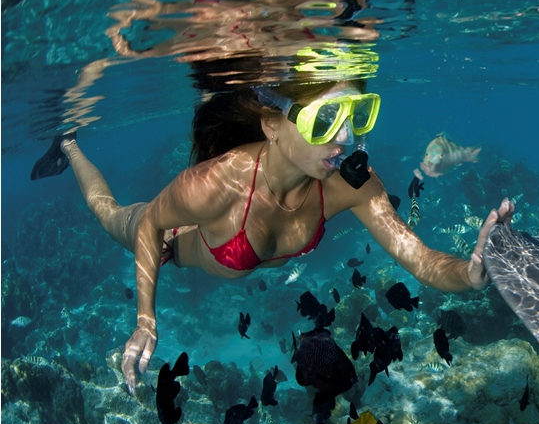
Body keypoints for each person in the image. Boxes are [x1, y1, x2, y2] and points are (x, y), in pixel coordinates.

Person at [34, 79, 513, 395]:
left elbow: (420, 257)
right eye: (325, 120)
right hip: (172, 239)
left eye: (357, 116)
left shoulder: (351, 183)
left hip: (214, 234)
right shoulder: (218, 181)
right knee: (109, 213)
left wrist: (470, 276)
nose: (345, 138)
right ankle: (70, 144)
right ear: (272, 125)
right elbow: (150, 226)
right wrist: (145, 320)